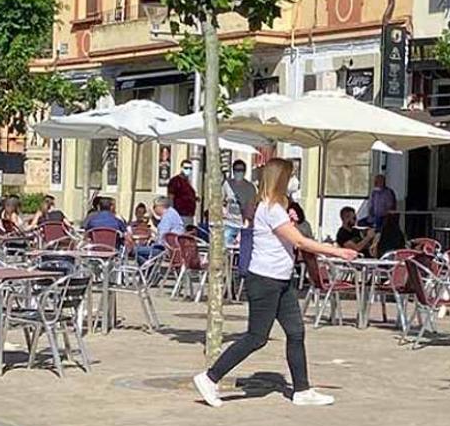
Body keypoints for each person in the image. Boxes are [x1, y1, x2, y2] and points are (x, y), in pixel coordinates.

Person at [192, 158, 359, 408]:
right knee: (256, 337)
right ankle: (209, 377)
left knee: (296, 332)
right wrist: (338, 252)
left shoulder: (276, 207)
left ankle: (302, 390)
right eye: (290, 177)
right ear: (281, 179)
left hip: (282, 280)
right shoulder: (271, 209)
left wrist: (292, 218)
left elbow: (289, 234)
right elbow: (299, 242)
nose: (294, 181)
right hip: (265, 280)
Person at [136, 196, 185, 262]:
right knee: (140, 251)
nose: (154, 209)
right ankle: (148, 267)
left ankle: (148, 267)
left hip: (164, 251)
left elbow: (161, 237)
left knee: (135, 250)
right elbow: (160, 226)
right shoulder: (171, 213)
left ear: (159, 206)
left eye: (154, 207)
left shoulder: (167, 217)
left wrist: (153, 240)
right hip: (173, 249)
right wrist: (153, 216)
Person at [222, 160, 257, 247]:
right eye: (237, 170)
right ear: (233, 171)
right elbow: (221, 201)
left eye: (241, 170)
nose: (239, 172)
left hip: (242, 225)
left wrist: (246, 225)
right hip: (228, 223)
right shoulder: (227, 184)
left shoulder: (250, 187)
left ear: (245, 171)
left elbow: (250, 207)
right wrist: (223, 211)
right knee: (226, 248)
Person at [168, 161, 198, 225]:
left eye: (190, 168)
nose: (188, 170)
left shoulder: (187, 182)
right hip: (180, 215)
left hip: (189, 215)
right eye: (186, 168)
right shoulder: (175, 181)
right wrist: (172, 213)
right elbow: (171, 197)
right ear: (181, 168)